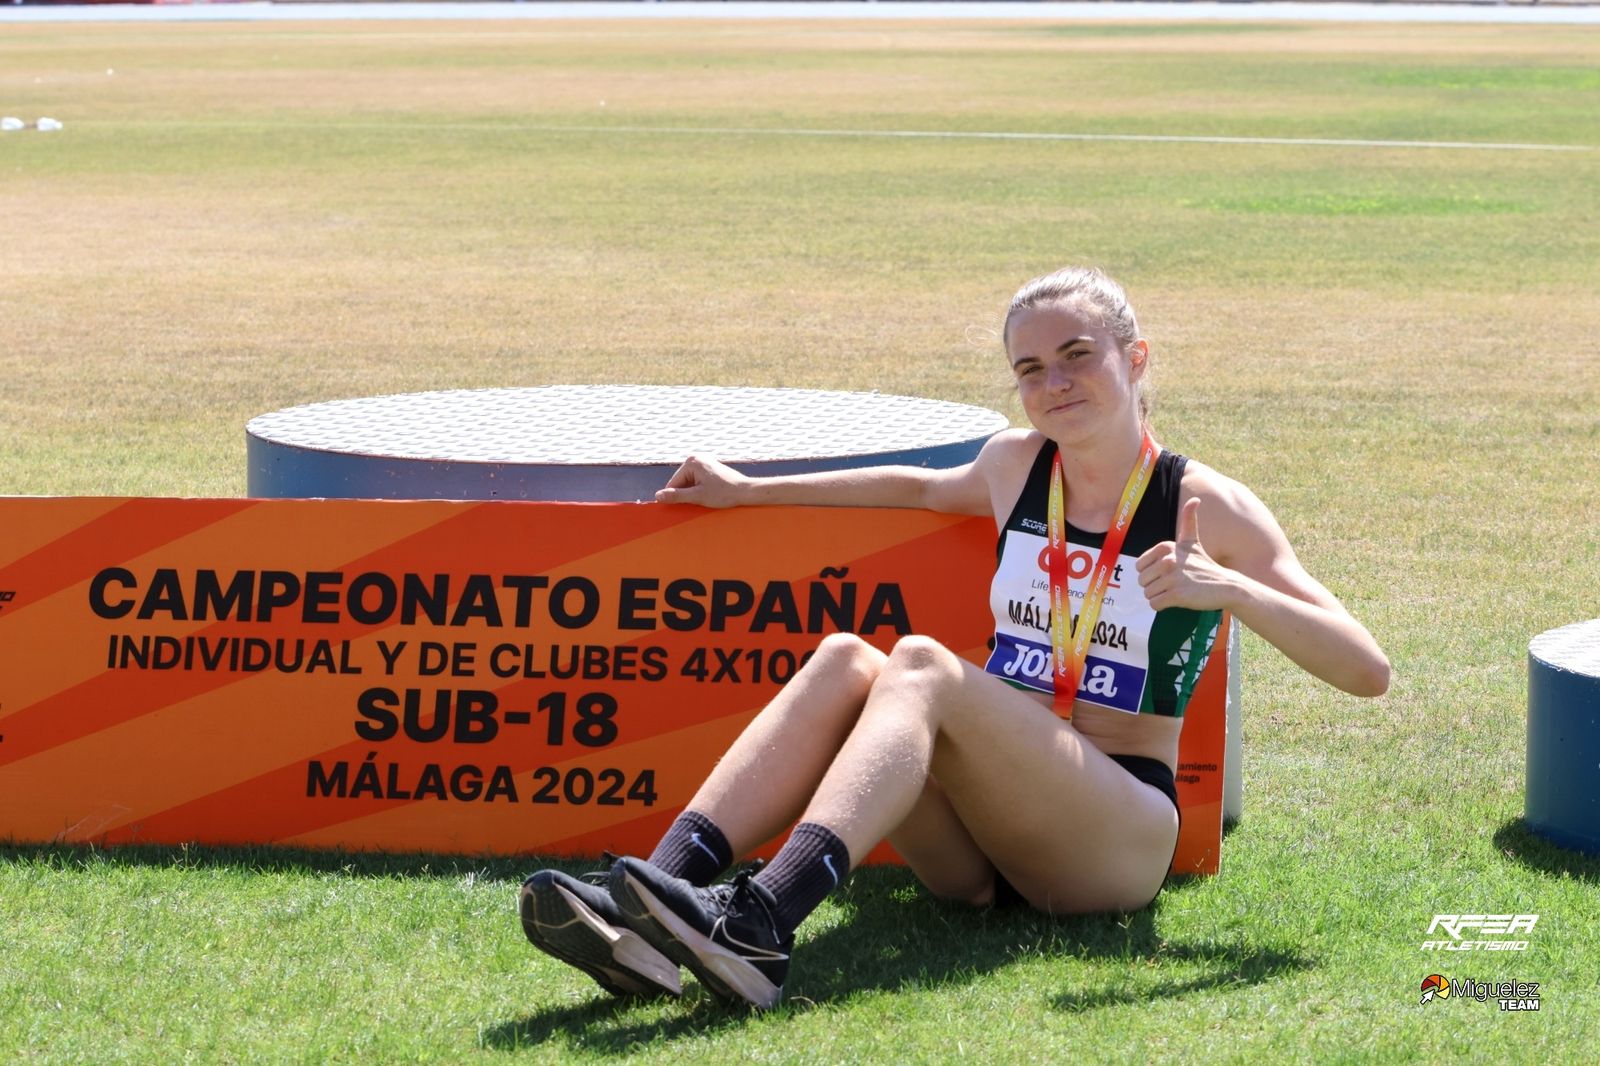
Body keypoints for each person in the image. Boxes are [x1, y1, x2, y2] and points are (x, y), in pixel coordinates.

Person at [517, 266, 1390, 1010]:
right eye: (1031, 368)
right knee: (846, 658)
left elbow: (1367, 670)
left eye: (1078, 356)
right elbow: (916, 488)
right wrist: (747, 490)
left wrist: (1229, 589)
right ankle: (639, 911)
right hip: (979, 850)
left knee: (924, 666)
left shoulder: (1207, 504)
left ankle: (761, 925)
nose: (1055, 383)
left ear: (1136, 358)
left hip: (1113, 838)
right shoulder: (1015, 466)